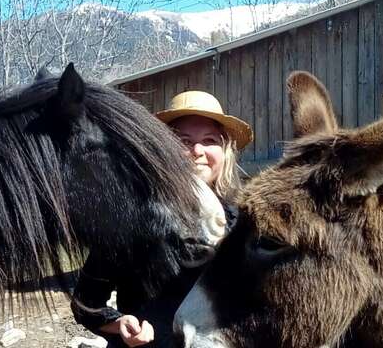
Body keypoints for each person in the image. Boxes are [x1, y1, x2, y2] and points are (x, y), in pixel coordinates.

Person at [71, 90, 253, 347]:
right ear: (161, 150)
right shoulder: (128, 219)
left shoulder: (243, 221)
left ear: (225, 152)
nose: (197, 151)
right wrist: (120, 323)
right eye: (183, 141)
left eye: (210, 140)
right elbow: (85, 303)